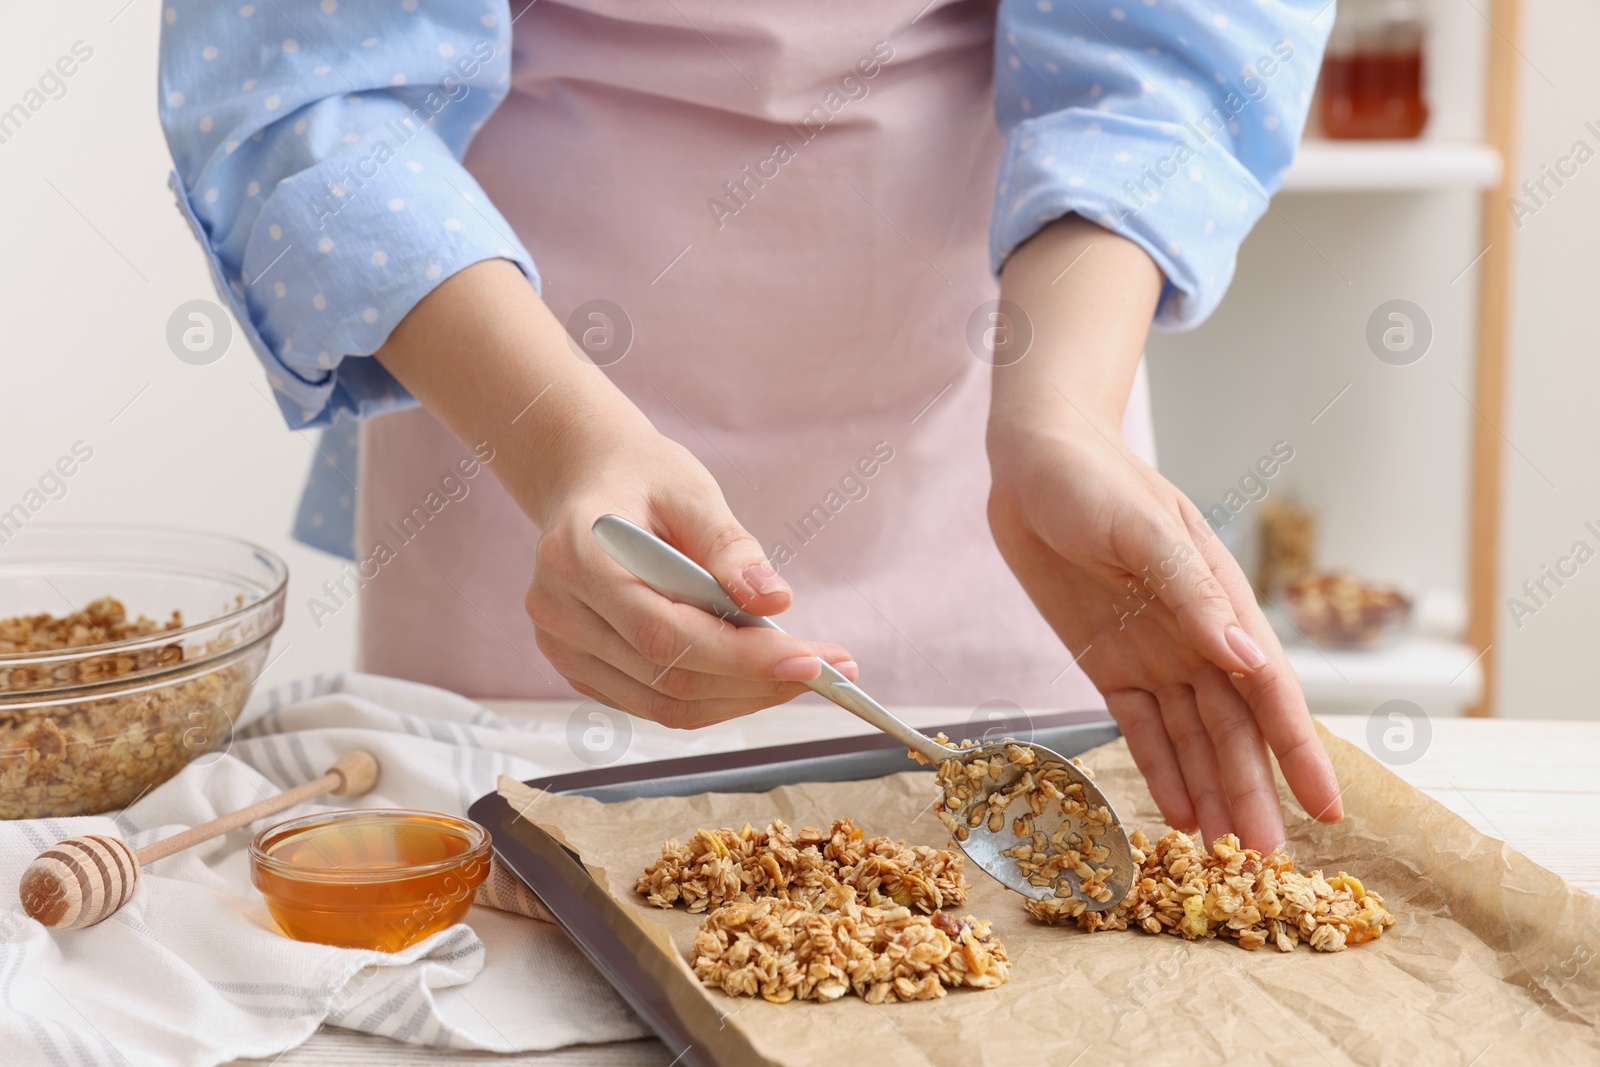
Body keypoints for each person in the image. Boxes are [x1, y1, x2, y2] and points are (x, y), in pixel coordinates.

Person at [158, 0, 1342, 852]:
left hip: (1000, 442)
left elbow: (1163, 64)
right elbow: (312, 94)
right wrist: (560, 442)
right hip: (522, 438)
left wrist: (1063, 421)